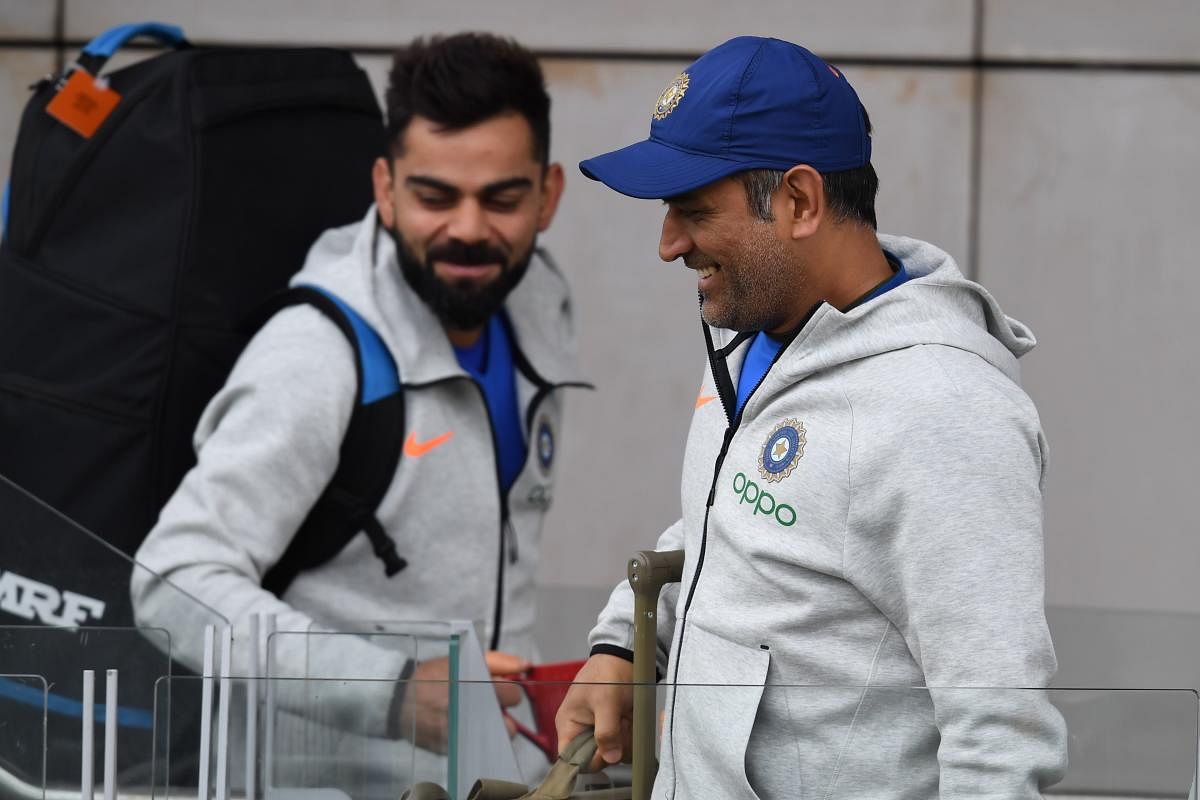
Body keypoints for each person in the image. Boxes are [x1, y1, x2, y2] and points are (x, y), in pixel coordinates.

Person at [556, 36, 1067, 799]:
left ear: (800, 200)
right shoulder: (753, 327)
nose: (667, 245)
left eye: (693, 210)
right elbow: (726, 519)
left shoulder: (946, 411)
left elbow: (1000, 737)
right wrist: (625, 648)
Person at [132, 32, 581, 756]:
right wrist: (396, 693)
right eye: (435, 196)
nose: (468, 230)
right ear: (384, 188)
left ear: (548, 194)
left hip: (485, 774)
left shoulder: (541, 308)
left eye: (501, 198)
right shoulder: (318, 352)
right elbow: (171, 581)